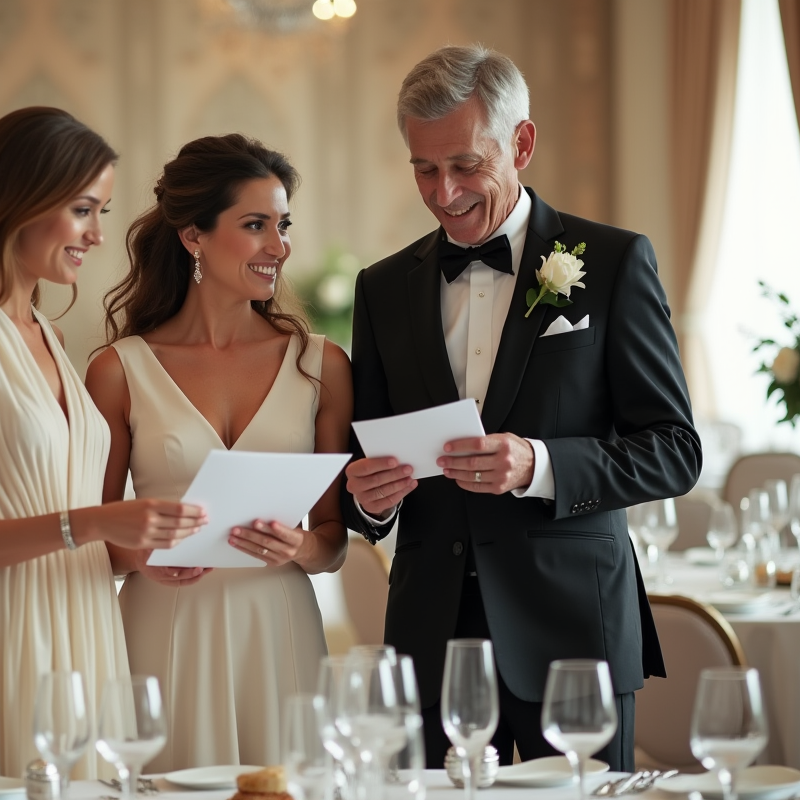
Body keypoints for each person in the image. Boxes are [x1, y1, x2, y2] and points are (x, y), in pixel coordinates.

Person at [341, 46, 700, 770]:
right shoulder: (381, 289)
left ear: (522, 143)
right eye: (424, 169)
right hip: (430, 646)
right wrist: (369, 500)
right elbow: (364, 464)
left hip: (573, 639)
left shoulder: (614, 263)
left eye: (466, 165)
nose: (444, 192)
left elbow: (674, 450)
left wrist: (539, 464)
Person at [0, 107, 205, 778]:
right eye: (83, 210)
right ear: (19, 203)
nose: (97, 234)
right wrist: (95, 522)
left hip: (86, 623)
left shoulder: (50, 338)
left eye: (101, 212)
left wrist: (134, 552)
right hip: (1, 629)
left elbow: (68, 519)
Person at [85, 134, 352, 771]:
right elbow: (93, 535)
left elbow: (333, 541)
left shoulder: (322, 365)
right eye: (255, 225)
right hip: (162, 627)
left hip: (279, 627)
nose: (279, 246)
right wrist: (143, 555)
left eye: (283, 225)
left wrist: (302, 547)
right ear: (193, 237)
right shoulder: (119, 370)